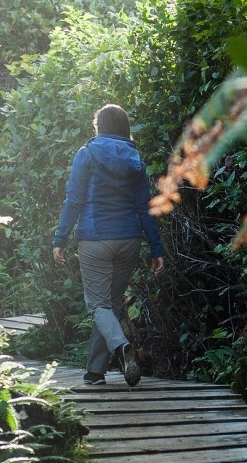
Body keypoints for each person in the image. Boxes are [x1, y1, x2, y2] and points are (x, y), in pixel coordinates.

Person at [52, 104, 165, 387]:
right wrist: (156, 248)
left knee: (98, 305)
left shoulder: (87, 154)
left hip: (95, 239)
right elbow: (144, 206)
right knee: (111, 305)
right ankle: (95, 371)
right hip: (129, 239)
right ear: (124, 127)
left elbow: (74, 200)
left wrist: (60, 239)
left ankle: (122, 347)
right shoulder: (135, 158)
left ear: (99, 126)